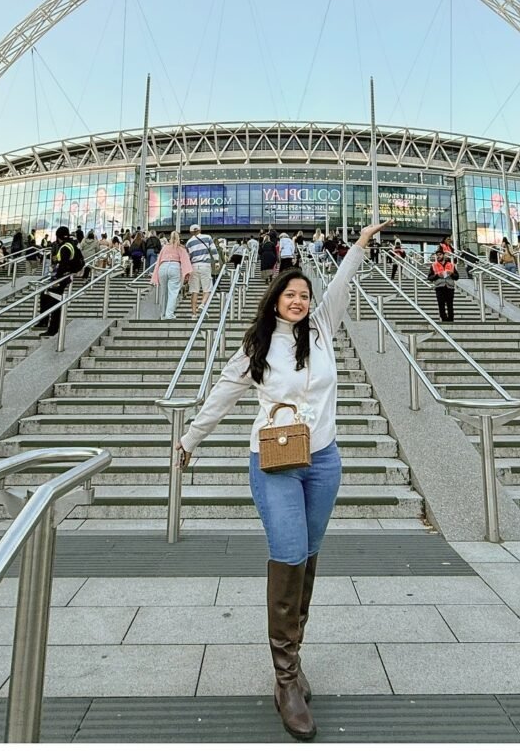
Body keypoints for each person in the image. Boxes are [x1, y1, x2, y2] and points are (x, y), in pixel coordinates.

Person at [176, 219, 392, 740]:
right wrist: (189, 440)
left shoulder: (320, 329)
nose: (299, 300)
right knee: (290, 552)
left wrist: (360, 244)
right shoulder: (255, 347)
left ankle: (292, 658)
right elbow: (223, 395)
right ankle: (286, 680)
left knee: (309, 558)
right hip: (274, 461)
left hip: (323, 462)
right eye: (291, 294)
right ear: (274, 298)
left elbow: (340, 284)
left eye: (304, 294)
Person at [37, 226, 80, 337]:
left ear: (58, 237)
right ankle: (46, 322)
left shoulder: (65, 247)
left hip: (61, 279)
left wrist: (59, 277)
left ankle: (50, 327)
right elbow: (81, 262)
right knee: (48, 297)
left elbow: (63, 264)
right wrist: (72, 271)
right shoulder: (73, 246)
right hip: (64, 278)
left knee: (51, 300)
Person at [151, 231, 192, 320]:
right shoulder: (181, 248)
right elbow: (185, 261)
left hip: (162, 267)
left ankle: (163, 315)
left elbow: (158, 260)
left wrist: (155, 274)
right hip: (175, 267)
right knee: (173, 292)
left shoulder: (165, 247)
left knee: (163, 293)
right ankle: (169, 314)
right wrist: (187, 274)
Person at [186, 223, 220, 317]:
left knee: (194, 290)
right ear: (200, 230)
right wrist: (216, 261)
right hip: (205, 265)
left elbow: (188, 257)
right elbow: (213, 250)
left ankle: (194, 314)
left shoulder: (188, 242)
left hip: (194, 266)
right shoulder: (207, 237)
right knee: (207, 288)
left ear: (191, 232)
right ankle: (202, 304)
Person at [426, 249, 459, 322]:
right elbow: (429, 277)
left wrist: (452, 274)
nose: (438, 256)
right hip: (439, 287)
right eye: (437, 255)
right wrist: (437, 275)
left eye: (440, 255)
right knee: (441, 304)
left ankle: (451, 319)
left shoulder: (451, 265)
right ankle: (444, 319)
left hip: (449, 287)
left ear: (443, 255)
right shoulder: (434, 265)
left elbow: (457, 277)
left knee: (450, 304)